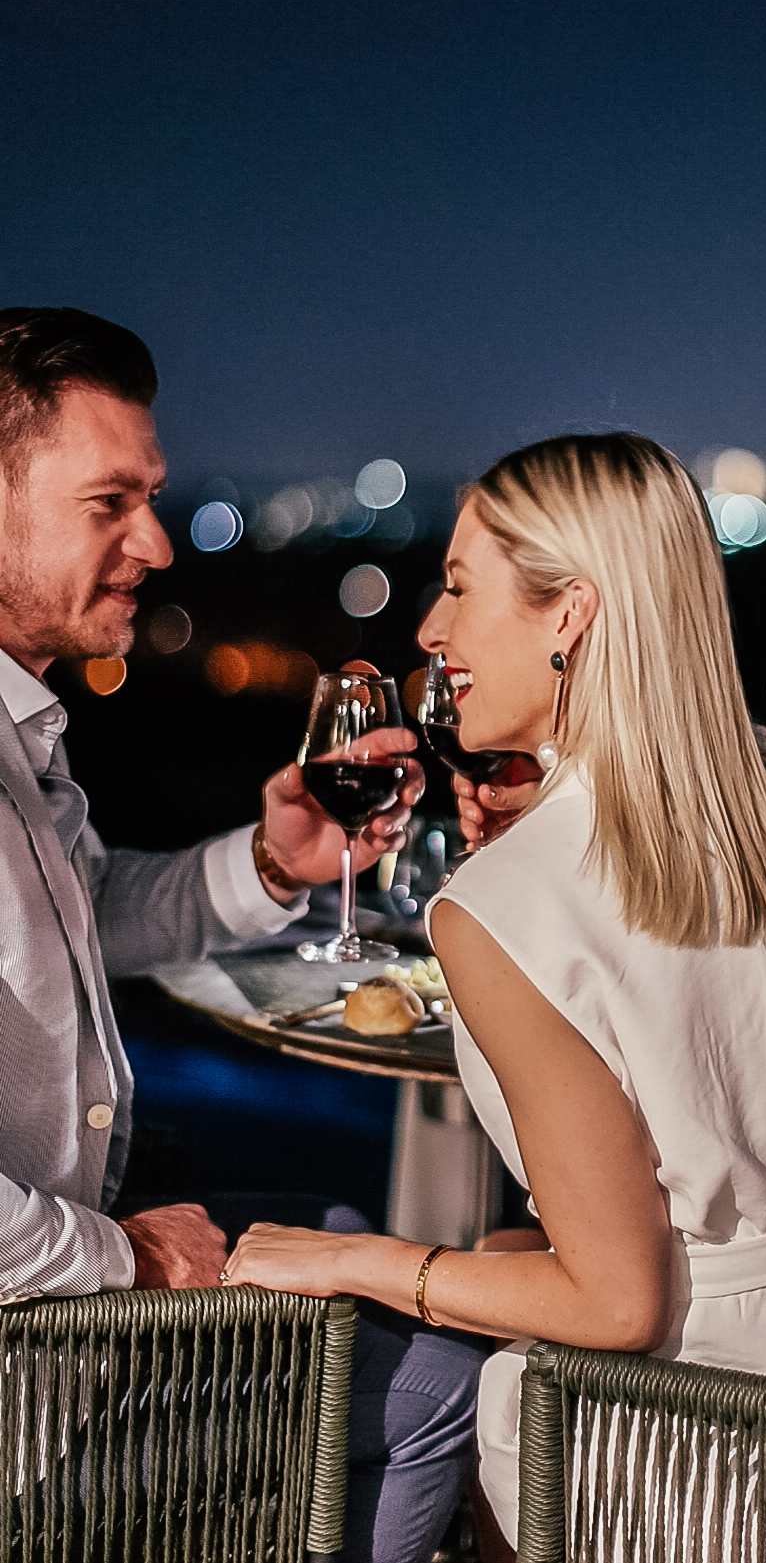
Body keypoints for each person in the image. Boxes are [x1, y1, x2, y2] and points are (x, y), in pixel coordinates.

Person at [227, 431, 766, 1554]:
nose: (430, 631)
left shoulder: (496, 910)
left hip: (690, 1465)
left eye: (459, 589)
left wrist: (351, 1259)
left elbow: (620, 1308)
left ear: (570, 613)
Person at [0, 307, 485, 1563]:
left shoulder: (22, 736)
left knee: (341, 1230)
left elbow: (73, 922)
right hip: (27, 1397)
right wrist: (126, 1263)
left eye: (150, 499)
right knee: (451, 1378)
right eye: (110, 502)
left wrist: (272, 863)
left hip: (64, 1305)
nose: (156, 543)